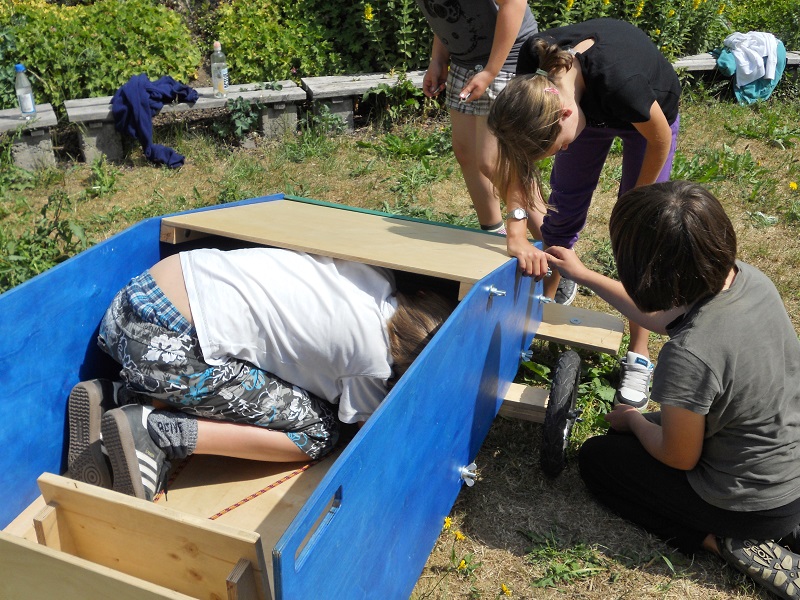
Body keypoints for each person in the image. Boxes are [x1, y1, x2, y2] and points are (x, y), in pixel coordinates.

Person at [546, 181, 800, 600]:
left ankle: (722, 541)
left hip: (746, 502)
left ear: (650, 273)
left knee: (600, 461)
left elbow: (679, 455)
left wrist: (633, 420)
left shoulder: (690, 354)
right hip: (789, 476)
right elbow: (665, 318)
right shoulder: (750, 281)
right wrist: (585, 276)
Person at [67, 247, 454, 501]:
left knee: (257, 361)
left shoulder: (375, 275)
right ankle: (157, 433)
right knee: (321, 431)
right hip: (163, 349)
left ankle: (120, 395)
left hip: (133, 304)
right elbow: (371, 433)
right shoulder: (374, 367)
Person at [488, 18, 682, 406]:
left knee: (642, 237)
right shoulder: (535, 67)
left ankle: (639, 354)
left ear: (562, 116)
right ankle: (544, 303)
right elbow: (515, 157)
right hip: (589, 111)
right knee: (564, 208)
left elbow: (658, 138)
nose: (560, 153)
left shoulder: (622, 84)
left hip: (648, 119)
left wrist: (632, 208)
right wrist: (516, 231)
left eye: (557, 148)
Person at [416, 0, 537, 236]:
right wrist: (438, 59)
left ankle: (556, 252)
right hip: (466, 61)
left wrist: (491, 71)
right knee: (467, 152)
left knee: (495, 162)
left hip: (506, 60)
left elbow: (514, 3)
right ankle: (492, 233)